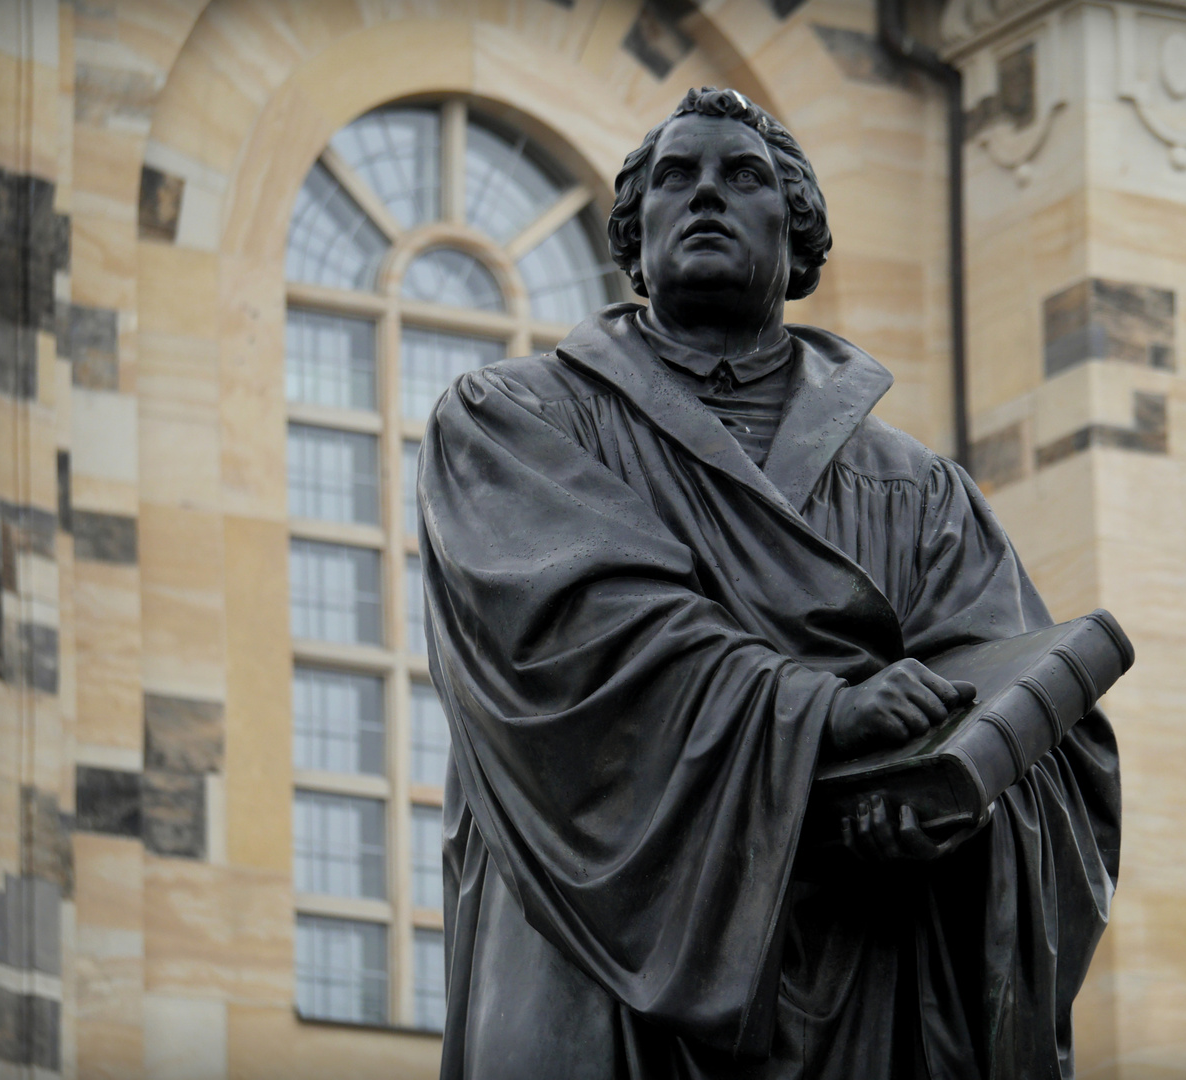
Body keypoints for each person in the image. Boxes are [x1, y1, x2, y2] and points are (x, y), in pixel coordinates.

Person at [417, 87, 1120, 1080]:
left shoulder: (918, 491)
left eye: (743, 177)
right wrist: (817, 714)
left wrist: (944, 803)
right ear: (637, 234)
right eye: (675, 177)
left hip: (847, 971)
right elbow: (576, 630)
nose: (705, 193)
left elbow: (1039, 736)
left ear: (796, 243)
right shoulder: (509, 420)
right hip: (586, 930)